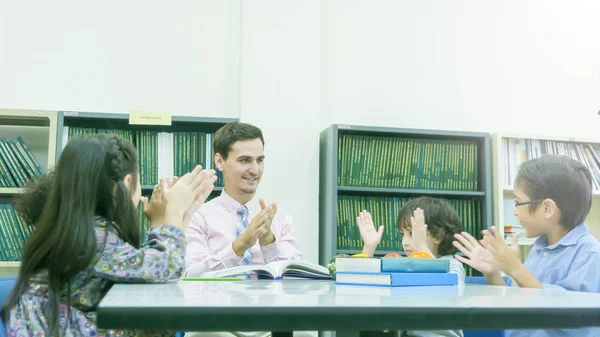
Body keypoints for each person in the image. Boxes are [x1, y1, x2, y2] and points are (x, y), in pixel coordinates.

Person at [1, 133, 216, 337]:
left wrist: (177, 218)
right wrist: (175, 210)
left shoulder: (80, 229)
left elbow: (145, 271)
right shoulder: (93, 237)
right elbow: (164, 268)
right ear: (127, 182)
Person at [453, 155, 600, 337]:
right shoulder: (539, 249)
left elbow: (573, 317)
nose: (515, 211)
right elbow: (518, 306)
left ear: (547, 209)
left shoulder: (590, 254)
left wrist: (515, 268)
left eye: (518, 202)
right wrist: (492, 273)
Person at [185, 122, 302, 277]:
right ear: (220, 161)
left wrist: (268, 242)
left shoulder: (282, 221)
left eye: (259, 160)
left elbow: (296, 281)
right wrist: (239, 246)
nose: (255, 170)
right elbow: (191, 276)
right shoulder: (198, 218)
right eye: (244, 160)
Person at [357, 196, 465, 337]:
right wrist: (369, 248)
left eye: (412, 233)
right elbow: (362, 282)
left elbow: (443, 285)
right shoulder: (408, 264)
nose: (405, 242)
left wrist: (421, 246)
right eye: (403, 234)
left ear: (438, 236)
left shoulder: (453, 265)